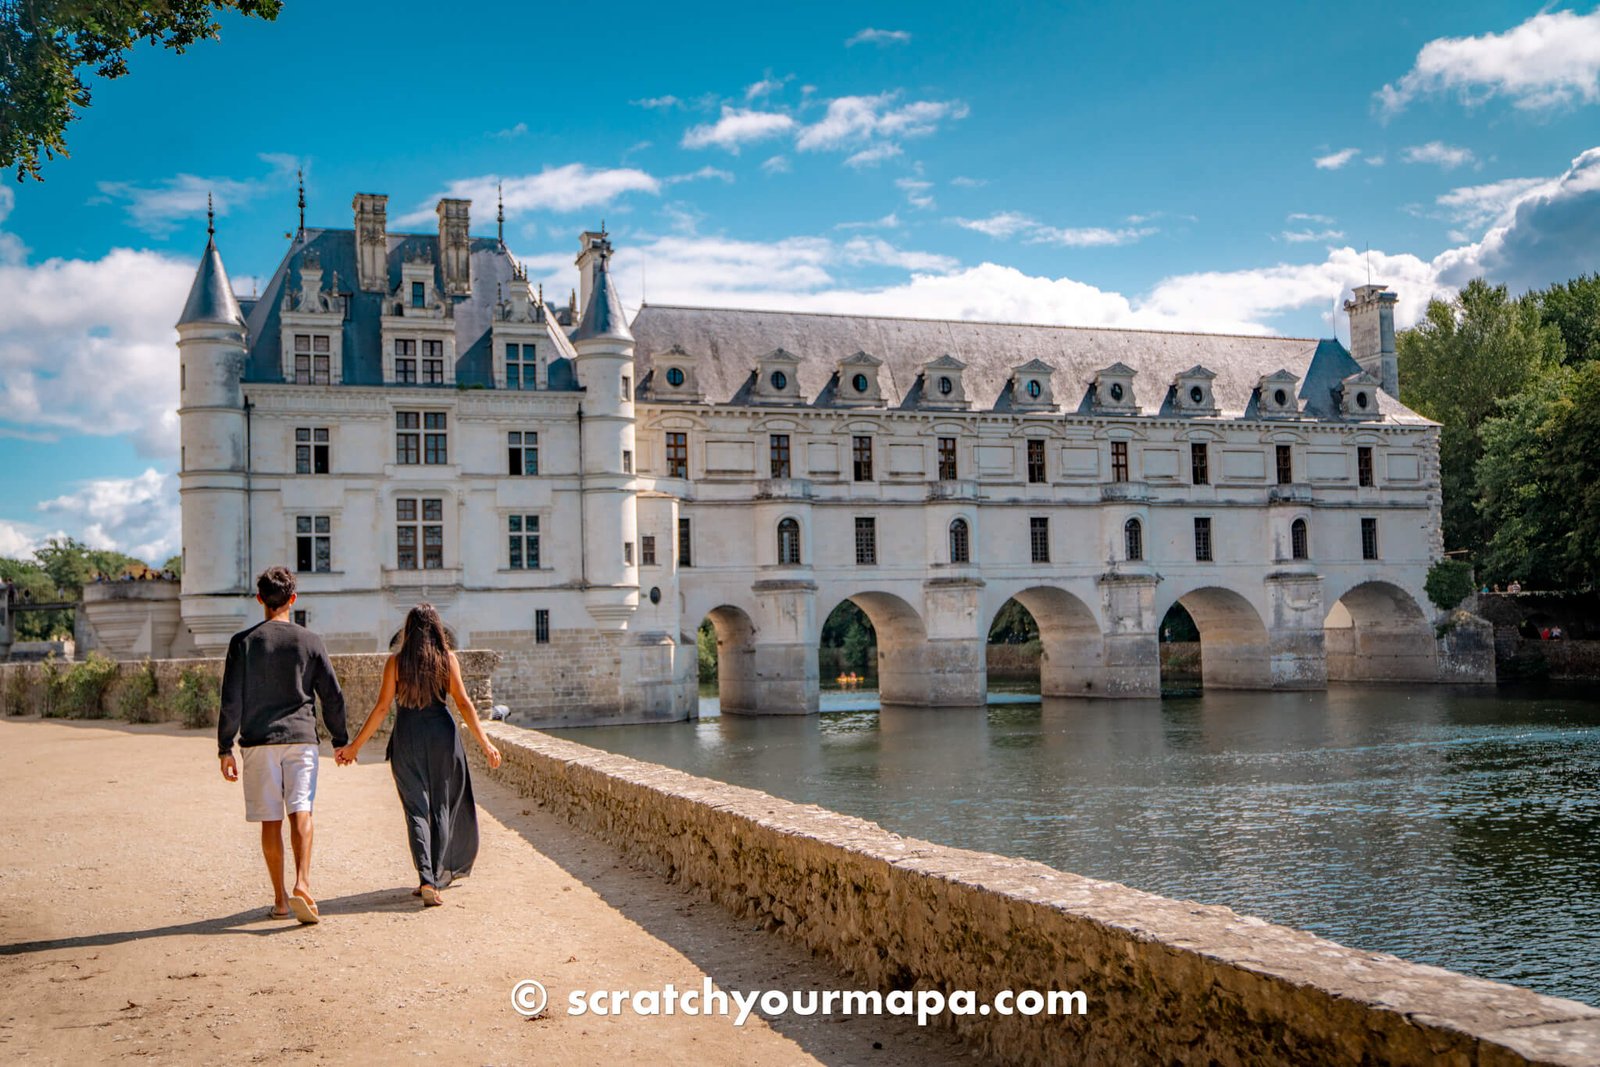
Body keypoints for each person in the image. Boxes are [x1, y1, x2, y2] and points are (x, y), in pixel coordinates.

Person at [336, 604, 501, 907]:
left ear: (408, 631)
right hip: (442, 737)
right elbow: (464, 704)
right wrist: (485, 743)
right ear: (437, 629)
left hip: (408, 737)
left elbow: (382, 708)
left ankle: (426, 876)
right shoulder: (446, 660)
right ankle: (433, 880)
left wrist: (354, 747)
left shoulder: (396, 663)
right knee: (440, 805)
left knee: (416, 809)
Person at [218, 566, 348, 924]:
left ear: (259, 599)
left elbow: (231, 700)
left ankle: (279, 901)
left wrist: (225, 747)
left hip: (259, 741)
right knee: (301, 811)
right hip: (301, 739)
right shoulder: (310, 641)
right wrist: (340, 740)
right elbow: (332, 697)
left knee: (270, 821)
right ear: (293, 599)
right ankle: (303, 883)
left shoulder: (242, 643)